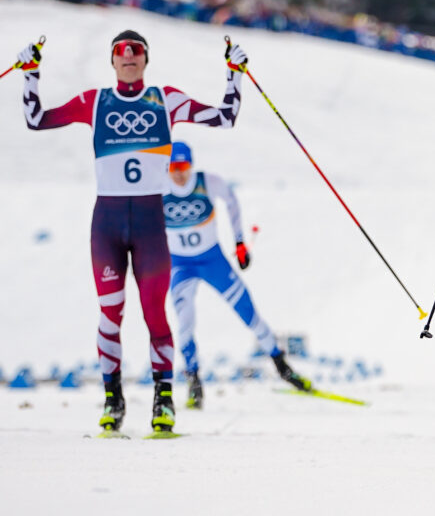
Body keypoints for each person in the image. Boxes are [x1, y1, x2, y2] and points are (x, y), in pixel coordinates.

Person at [16, 30, 248, 434]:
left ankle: (163, 400)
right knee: (110, 314)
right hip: (106, 225)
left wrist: (235, 73)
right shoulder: (95, 102)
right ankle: (113, 399)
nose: (128, 56)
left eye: (136, 50)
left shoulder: (166, 100)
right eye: (120, 52)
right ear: (111, 61)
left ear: (146, 58)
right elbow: (36, 120)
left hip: (149, 225)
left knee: (155, 313)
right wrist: (30, 73)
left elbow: (225, 117)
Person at [163, 142, 311, 409]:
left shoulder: (206, 182)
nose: (179, 173)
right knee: (184, 322)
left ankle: (282, 367)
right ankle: (194, 383)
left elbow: (231, 201)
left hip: (212, 259)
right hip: (181, 265)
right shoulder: (159, 187)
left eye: (183, 166)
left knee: (248, 312)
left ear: (191, 165)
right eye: (173, 167)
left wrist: (240, 242)